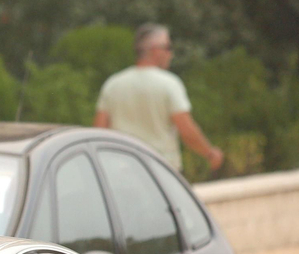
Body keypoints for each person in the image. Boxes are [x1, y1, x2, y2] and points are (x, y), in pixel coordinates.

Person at [95, 24, 225, 173]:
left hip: (121, 170)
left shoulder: (113, 84)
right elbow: (186, 129)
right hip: (160, 170)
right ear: (155, 49)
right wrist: (209, 153)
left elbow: (100, 131)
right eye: (168, 47)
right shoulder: (169, 84)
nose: (171, 53)